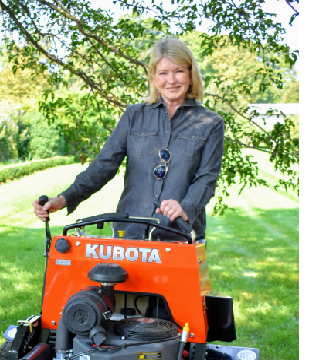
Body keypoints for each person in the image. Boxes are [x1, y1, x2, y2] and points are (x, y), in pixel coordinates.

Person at [32, 37, 224, 242]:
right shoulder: (134, 116)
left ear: (191, 75)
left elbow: (206, 178)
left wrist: (185, 207)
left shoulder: (211, 123)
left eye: (179, 71)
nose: (171, 80)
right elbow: (103, 166)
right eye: (163, 73)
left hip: (180, 235)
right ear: (153, 77)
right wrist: (63, 199)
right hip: (130, 233)